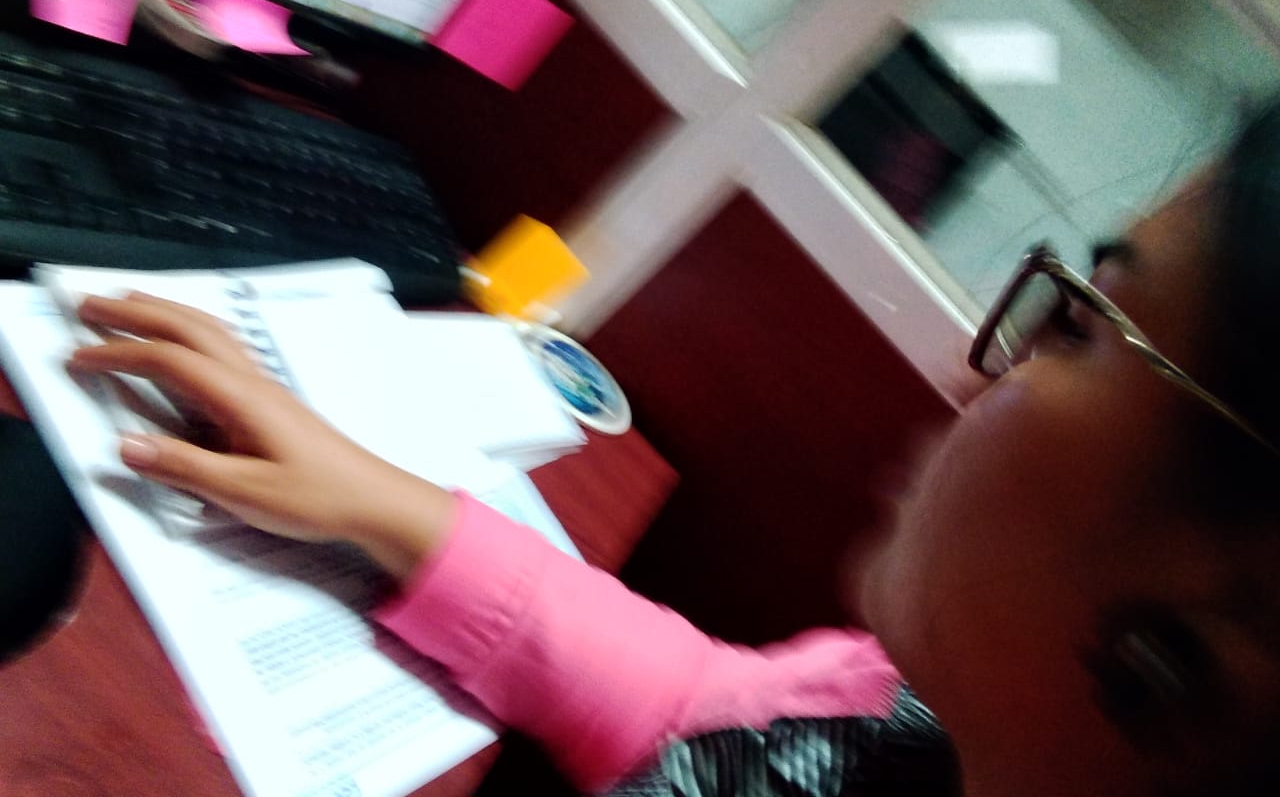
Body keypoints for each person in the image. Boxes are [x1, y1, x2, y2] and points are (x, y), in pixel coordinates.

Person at [65, 104, 1280, 797]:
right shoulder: (919, 718)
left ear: (1221, 653)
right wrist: (379, 504)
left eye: (1077, 325)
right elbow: (704, 710)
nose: (976, 370)